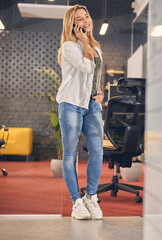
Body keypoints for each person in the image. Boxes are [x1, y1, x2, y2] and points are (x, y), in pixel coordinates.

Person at [56, 5, 104, 220]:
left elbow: (95, 76)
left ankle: (91, 197)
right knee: (70, 155)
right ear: (72, 25)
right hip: (71, 104)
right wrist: (84, 42)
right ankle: (76, 201)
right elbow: (86, 68)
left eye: (86, 17)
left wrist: (100, 92)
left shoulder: (96, 46)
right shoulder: (69, 46)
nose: (85, 21)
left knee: (97, 151)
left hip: (91, 105)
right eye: (79, 19)